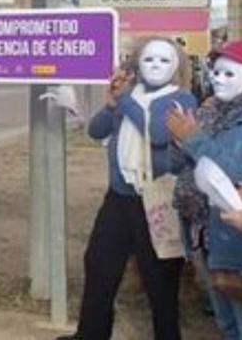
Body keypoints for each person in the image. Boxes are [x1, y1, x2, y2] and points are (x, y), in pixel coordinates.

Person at [59, 37, 197, 340]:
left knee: (159, 278)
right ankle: (91, 334)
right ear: (138, 64)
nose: (155, 66)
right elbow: (96, 131)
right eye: (148, 60)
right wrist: (111, 104)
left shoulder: (182, 98)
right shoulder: (129, 95)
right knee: (98, 264)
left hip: (155, 199)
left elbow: (159, 134)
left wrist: (125, 101)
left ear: (176, 65)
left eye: (163, 60)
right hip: (119, 198)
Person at [168, 41, 242, 338]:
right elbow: (182, 166)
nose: (217, 79)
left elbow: (233, 174)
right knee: (226, 325)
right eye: (215, 71)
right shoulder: (211, 109)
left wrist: (194, 139)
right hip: (204, 231)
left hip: (235, 241)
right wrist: (179, 139)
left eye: (229, 73)